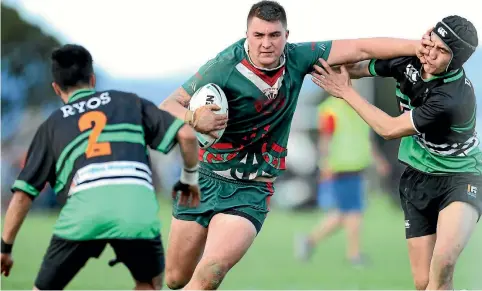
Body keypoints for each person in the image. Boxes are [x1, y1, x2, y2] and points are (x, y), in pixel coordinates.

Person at [159, 1, 426, 289]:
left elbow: (360, 47)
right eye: (258, 35)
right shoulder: (224, 66)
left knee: (210, 271)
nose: (266, 44)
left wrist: (420, 47)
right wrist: (192, 117)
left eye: (274, 35)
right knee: (175, 278)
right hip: (203, 179)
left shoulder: (299, 57)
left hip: (250, 190)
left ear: (286, 35)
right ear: (246, 35)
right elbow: (167, 105)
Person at [0, 44, 201, 290]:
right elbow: (188, 136)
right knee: (148, 283)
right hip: (135, 211)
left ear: (56, 88)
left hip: (84, 213)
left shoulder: (52, 125)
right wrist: (189, 179)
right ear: (92, 79)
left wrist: (5, 249)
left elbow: (22, 196)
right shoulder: (128, 101)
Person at [311, 15, 481, 291]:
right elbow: (357, 64)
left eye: (443, 52)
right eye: (432, 44)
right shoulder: (413, 58)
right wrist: (306, 64)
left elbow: (388, 129)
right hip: (417, 177)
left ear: (457, 60)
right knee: (425, 283)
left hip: (462, 177)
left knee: (444, 260)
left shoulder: (453, 97)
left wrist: (345, 92)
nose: (431, 55)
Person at [295, 95, 390, 266]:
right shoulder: (332, 109)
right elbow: (326, 139)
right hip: (340, 168)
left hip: (357, 167)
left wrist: (378, 160)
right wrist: (325, 164)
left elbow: (366, 138)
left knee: (343, 214)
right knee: (353, 212)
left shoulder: (360, 105)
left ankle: (309, 241)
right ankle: (354, 255)